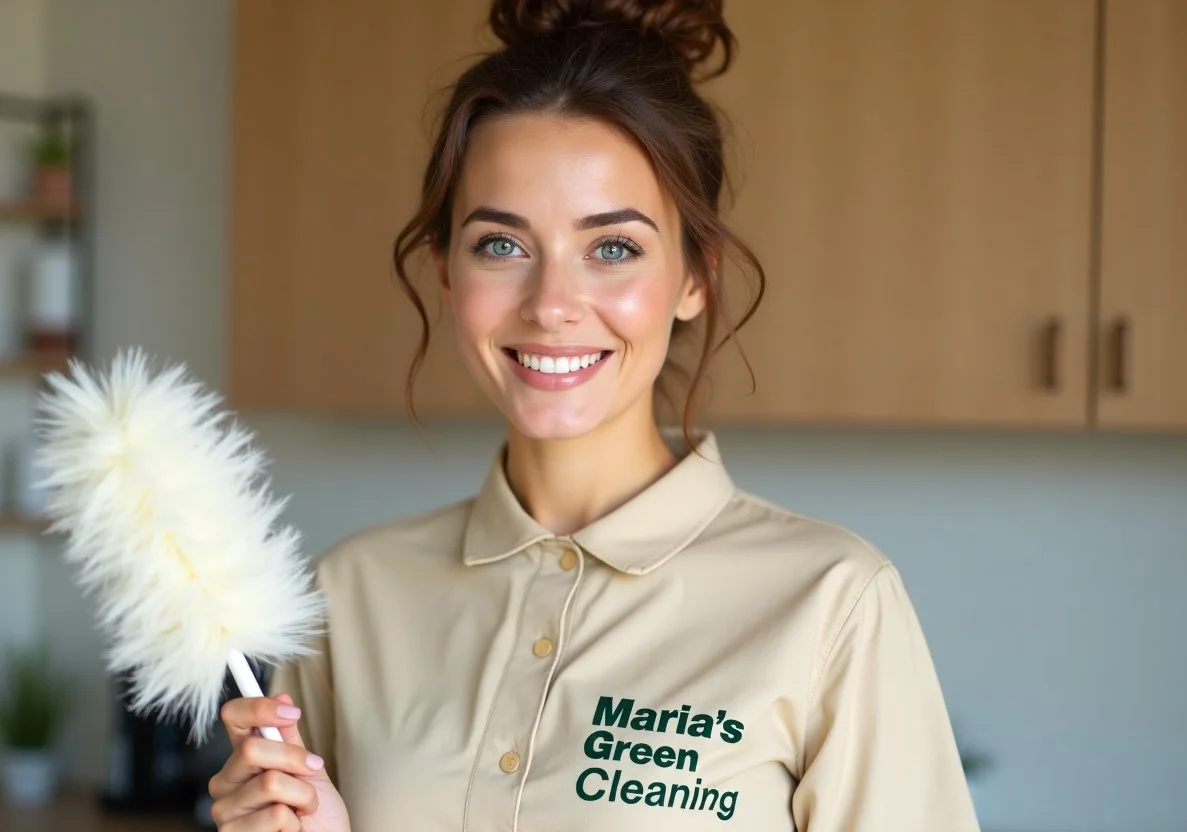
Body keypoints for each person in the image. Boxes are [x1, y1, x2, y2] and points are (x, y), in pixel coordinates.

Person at [208, 0, 979, 829]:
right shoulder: (346, 598)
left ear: (695, 278)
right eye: (501, 245)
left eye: (613, 248)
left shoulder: (831, 603)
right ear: (445, 270)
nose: (551, 305)